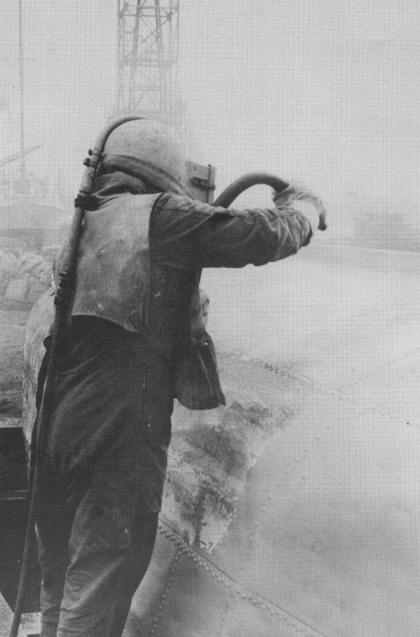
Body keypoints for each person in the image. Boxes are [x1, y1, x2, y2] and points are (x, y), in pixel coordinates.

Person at [35, 118, 326, 637]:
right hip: (119, 435)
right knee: (101, 580)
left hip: (58, 427)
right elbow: (259, 235)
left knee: (61, 581)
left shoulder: (83, 223)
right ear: (162, 170)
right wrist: (302, 209)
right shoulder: (160, 217)